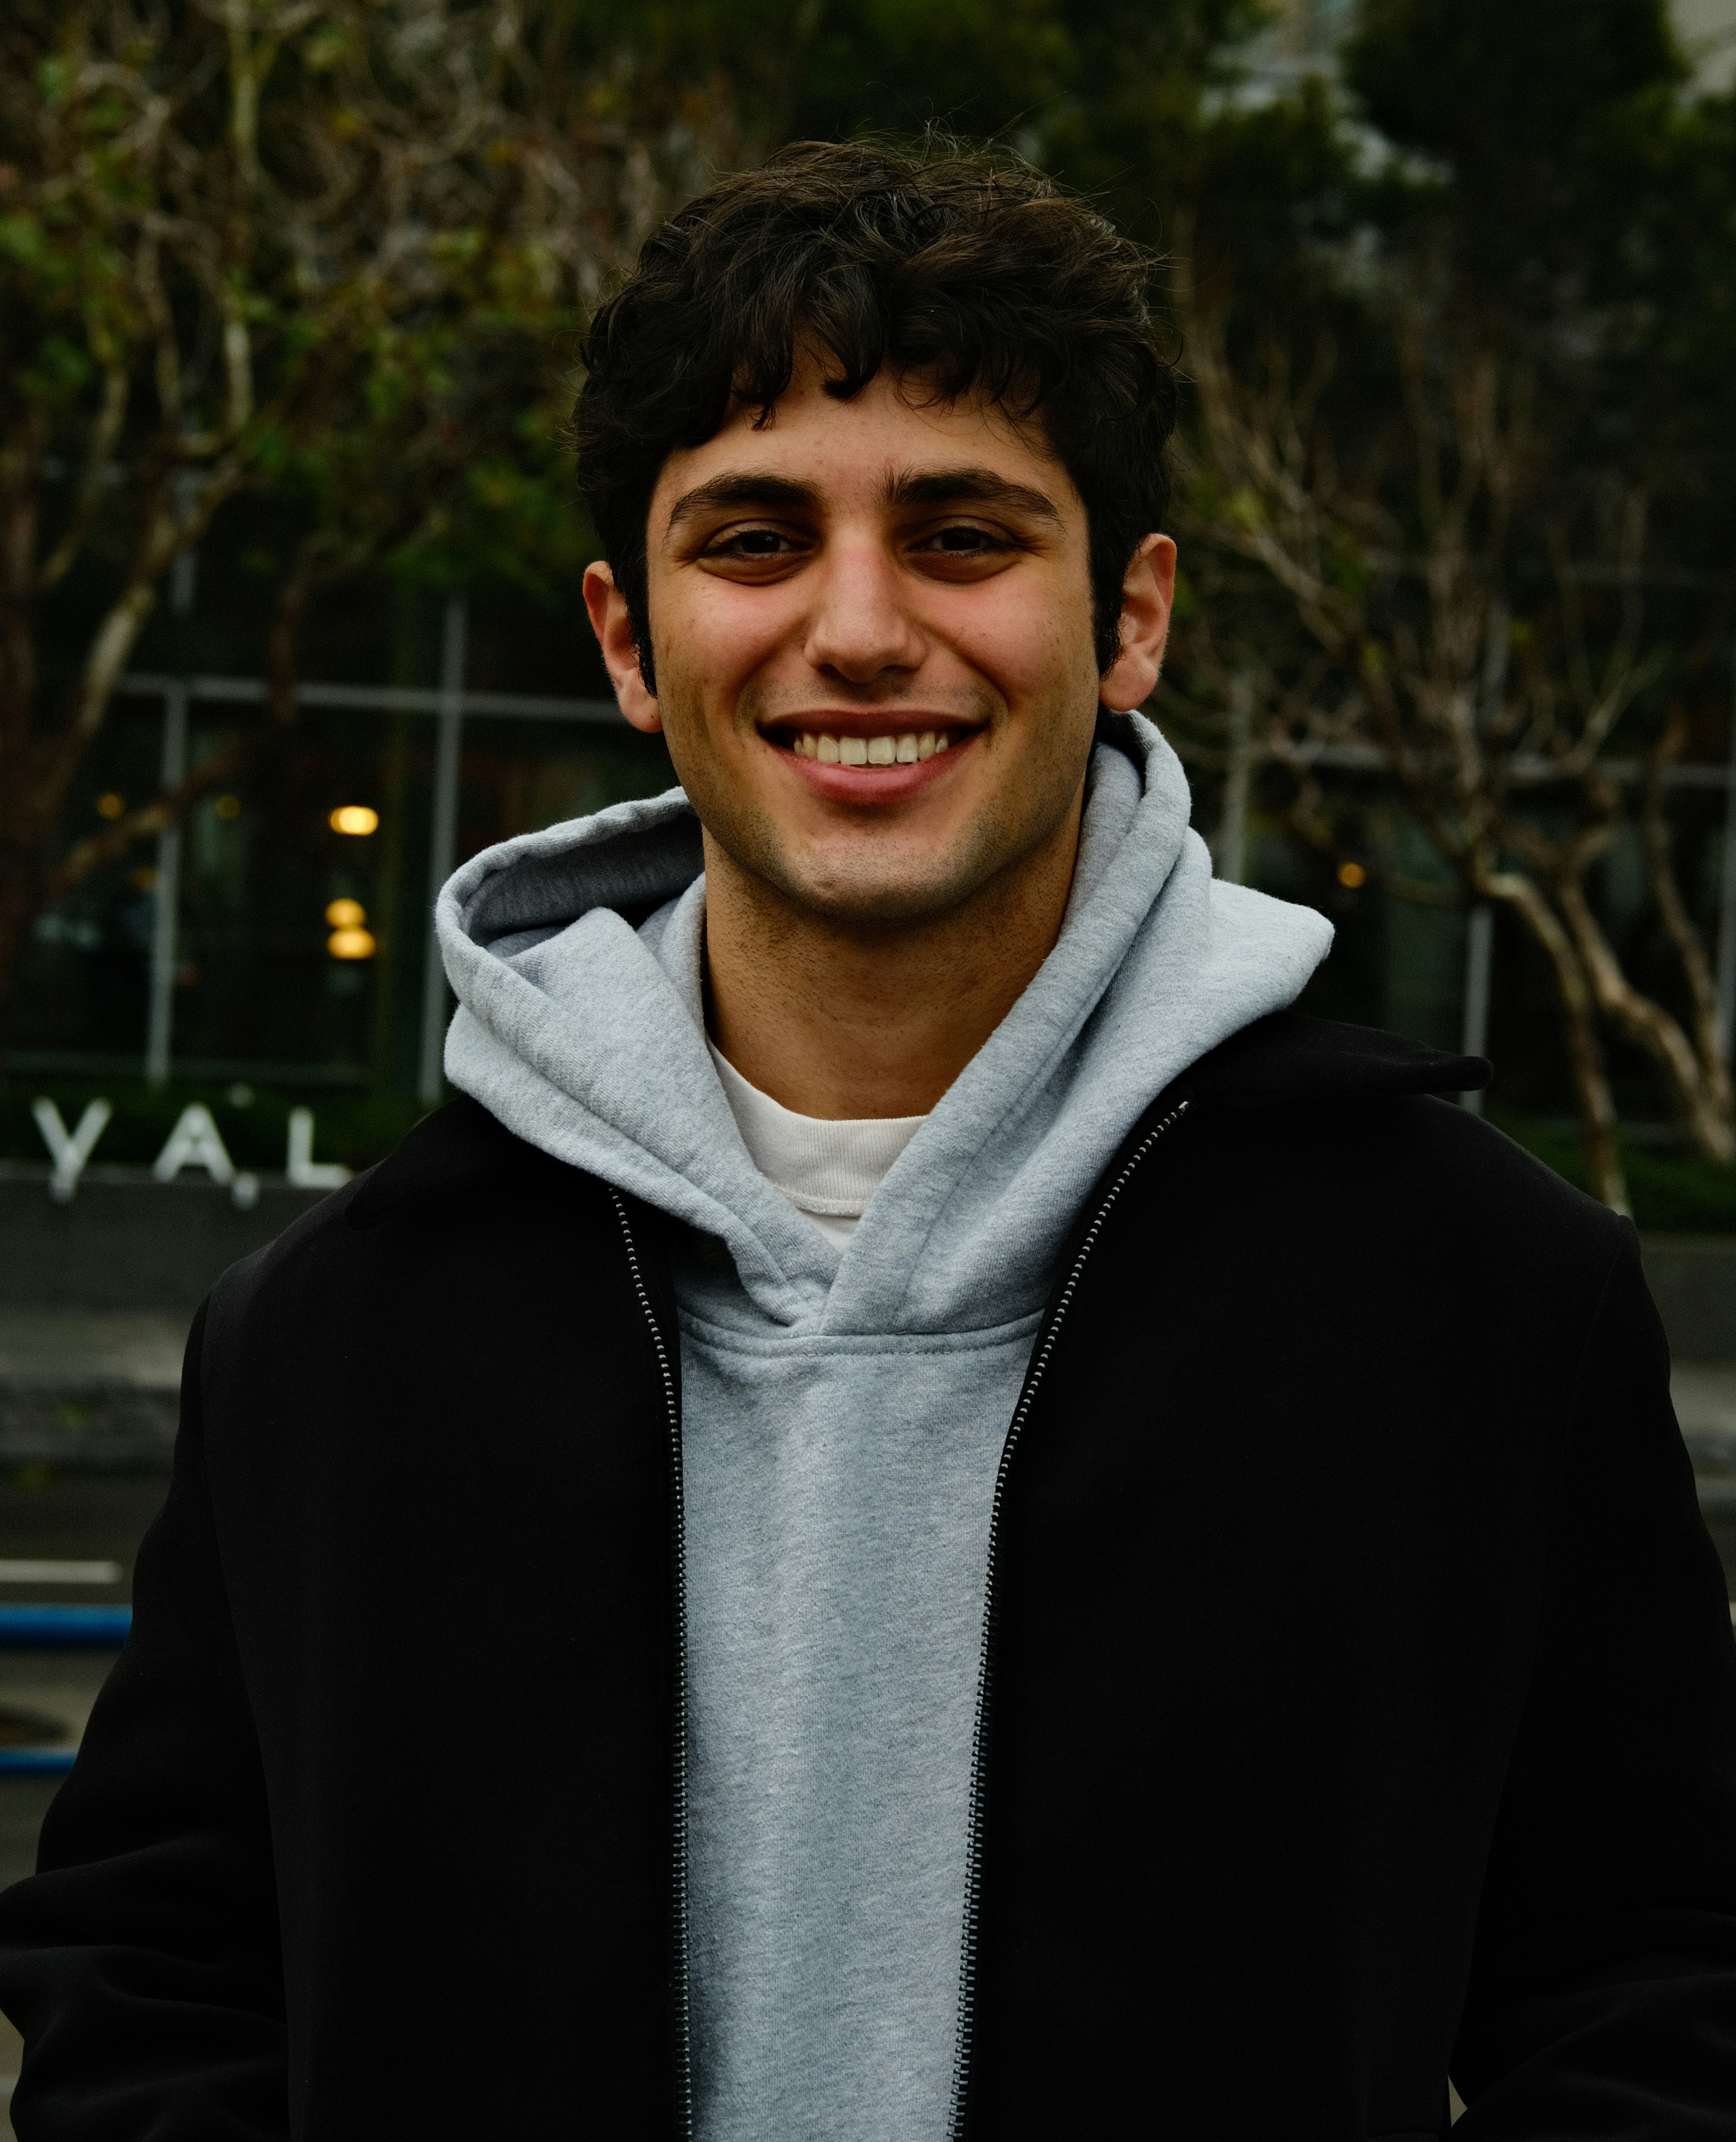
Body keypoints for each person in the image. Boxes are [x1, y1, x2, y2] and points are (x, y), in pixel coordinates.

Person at [0, 144, 1732, 2141]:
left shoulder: (1477, 1302)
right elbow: (152, 1981)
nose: (857, 629)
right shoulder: (330, 1340)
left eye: (960, 534)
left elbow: (1656, 1984)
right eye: (752, 539)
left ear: (1132, 616)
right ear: (629, 643)